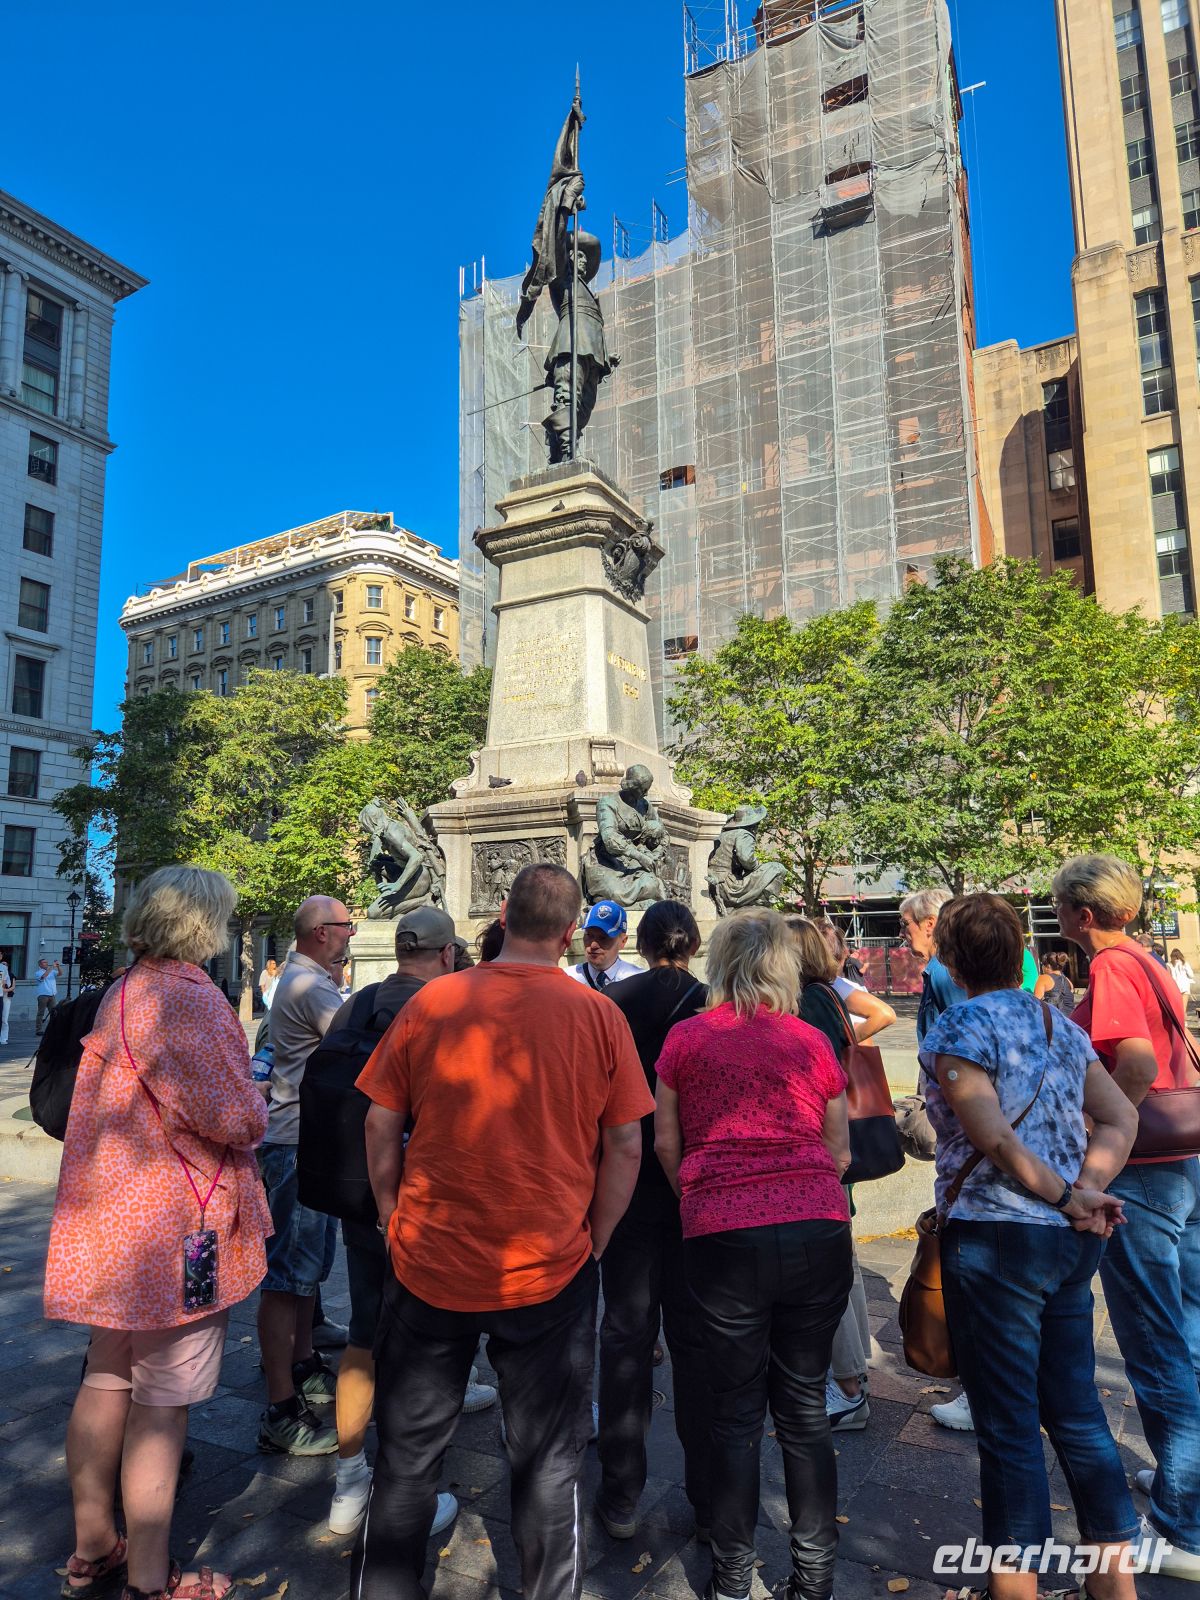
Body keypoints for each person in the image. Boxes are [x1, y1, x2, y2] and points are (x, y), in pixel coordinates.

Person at [352, 863, 653, 1600]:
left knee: (407, 1457)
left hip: (431, 1259)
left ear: (501, 914)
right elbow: (625, 1146)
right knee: (549, 1462)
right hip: (549, 1265)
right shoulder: (598, 1015)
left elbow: (379, 1120)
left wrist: (391, 1212)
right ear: (571, 931)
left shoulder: (435, 1001)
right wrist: (600, 1236)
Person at [44, 865, 272, 1600]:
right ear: (205, 925)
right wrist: (260, 1096)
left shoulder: (124, 990)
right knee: (162, 1403)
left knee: (105, 1379)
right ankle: (151, 1579)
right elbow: (235, 1118)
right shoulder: (192, 1002)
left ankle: (93, 1547)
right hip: (178, 1231)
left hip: (109, 1221)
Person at [920, 892, 1140, 1600]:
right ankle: (1115, 1585)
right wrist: (1088, 1188)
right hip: (1068, 1244)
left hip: (996, 1242)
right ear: (1018, 949)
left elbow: (993, 1137)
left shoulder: (957, 1029)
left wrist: (1069, 1195)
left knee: (1010, 1425)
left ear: (950, 958)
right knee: (1076, 1412)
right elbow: (1120, 1115)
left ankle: (1017, 1590)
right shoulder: (1059, 1025)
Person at [655, 909, 853, 1600]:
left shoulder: (685, 1039)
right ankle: (815, 1575)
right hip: (816, 1227)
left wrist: (699, 1197)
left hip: (721, 1233)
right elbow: (841, 1149)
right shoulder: (809, 1040)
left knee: (734, 1410)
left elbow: (664, 1142)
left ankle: (733, 1578)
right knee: (802, 1407)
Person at [322, 906, 494, 1540]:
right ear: (447, 954)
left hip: (359, 1194)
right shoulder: (452, 1008)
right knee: (425, 1350)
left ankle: (348, 1482)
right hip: (427, 1203)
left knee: (365, 1333)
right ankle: (413, 1490)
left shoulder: (355, 1005)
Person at [1055, 854, 1200, 1581]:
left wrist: (1092, 1155)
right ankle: (1187, 1485)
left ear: (1083, 913)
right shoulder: (1147, 960)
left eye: (1058, 905)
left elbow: (1136, 1067)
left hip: (1144, 1174)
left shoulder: (1111, 967)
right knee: (1190, 1334)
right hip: (1185, 1160)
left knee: (1155, 1345)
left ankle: (1182, 1528)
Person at [595, 900, 711, 1542]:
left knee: (625, 1338)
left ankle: (620, 1491)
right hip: (696, 1186)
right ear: (693, 943)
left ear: (638, 943)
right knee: (696, 1342)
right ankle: (706, 1493)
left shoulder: (614, 1002)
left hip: (627, 1183)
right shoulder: (713, 1005)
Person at [787, 917, 895, 1433]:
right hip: (837, 1149)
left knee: (830, 1267)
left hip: (823, 1151)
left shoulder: (806, 1003)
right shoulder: (829, 995)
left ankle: (848, 1385)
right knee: (842, 1261)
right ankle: (853, 1372)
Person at [256, 896, 355, 1456]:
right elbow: (355, 1042)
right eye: (345, 926)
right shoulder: (311, 986)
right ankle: (280, 1407)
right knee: (287, 1274)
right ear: (321, 932)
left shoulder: (304, 977)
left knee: (303, 1269)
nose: (350, 934)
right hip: (295, 1140)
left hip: (300, 1137)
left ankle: (301, 1363)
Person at [567, 899, 640, 991]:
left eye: (603, 938)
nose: (593, 945)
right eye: (589, 935)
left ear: (623, 941)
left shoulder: (638, 982)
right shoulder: (567, 979)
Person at [1034, 949, 1076, 1015]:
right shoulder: (1068, 981)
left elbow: (1035, 1003)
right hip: (1071, 1019)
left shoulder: (1043, 978)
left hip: (1055, 1019)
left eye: (1042, 964)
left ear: (1048, 966)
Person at [35, 955, 61, 1034]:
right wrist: (52, 967)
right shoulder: (38, 973)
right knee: (41, 1013)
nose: (46, 963)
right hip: (43, 995)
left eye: (46, 962)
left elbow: (60, 974)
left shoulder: (52, 971)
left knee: (54, 1012)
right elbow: (43, 977)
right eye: (44, 962)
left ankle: (53, 1028)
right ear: (40, 965)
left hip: (52, 995)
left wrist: (58, 967)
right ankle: (38, 1029)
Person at [0, 946, 13, 1045]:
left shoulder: (3, 968)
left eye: (1, 954)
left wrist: (4, 987)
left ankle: (3, 1038)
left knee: (2, 1018)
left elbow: (5, 982)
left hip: (1, 996)